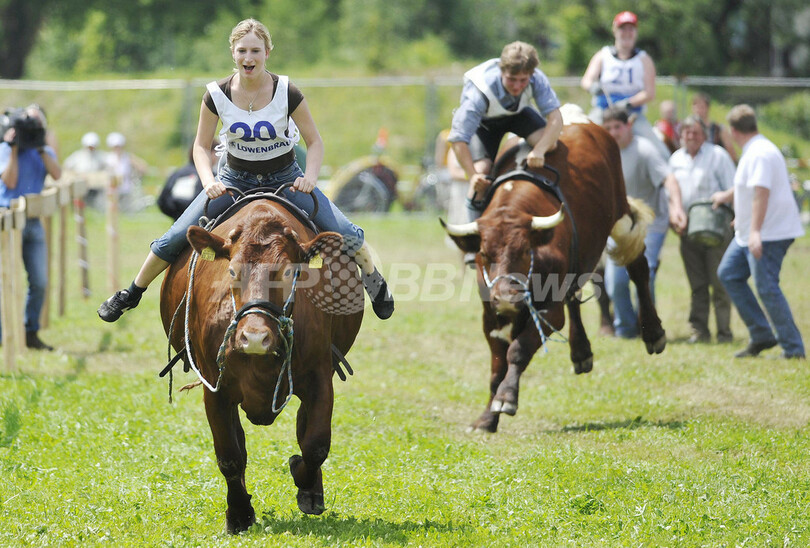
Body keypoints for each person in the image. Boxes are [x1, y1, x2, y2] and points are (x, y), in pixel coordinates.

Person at [97, 18, 393, 323]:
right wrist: (209, 181)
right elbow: (200, 147)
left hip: (286, 179)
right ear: (233, 53)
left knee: (345, 232)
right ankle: (131, 292)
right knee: (173, 237)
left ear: (267, 52)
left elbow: (315, 141)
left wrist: (310, 178)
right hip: (234, 180)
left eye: (255, 50)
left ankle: (375, 283)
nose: (248, 58)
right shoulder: (216, 94)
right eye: (242, 51)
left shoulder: (287, 90)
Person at [713, 105, 805, 359]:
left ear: (732, 131)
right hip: (752, 230)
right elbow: (747, 187)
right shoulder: (754, 150)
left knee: (766, 287)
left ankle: (793, 349)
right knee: (729, 274)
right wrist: (728, 199)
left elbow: (761, 192)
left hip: (768, 233)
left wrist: (754, 230)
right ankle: (762, 335)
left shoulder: (760, 153)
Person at [447, 41, 563, 225]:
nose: (517, 86)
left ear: (531, 76)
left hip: (518, 114)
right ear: (502, 71)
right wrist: (472, 176)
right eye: (511, 79)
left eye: (523, 80)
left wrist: (539, 150)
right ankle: (473, 237)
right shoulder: (478, 92)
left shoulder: (536, 79)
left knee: (551, 144)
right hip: (484, 124)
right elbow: (457, 139)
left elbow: (556, 119)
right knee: (482, 174)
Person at [601, 106, 683, 338]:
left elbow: (669, 179)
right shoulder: (605, 153)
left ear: (629, 126)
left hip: (650, 224)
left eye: (618, 127)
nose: (614, 132)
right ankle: (625, 330)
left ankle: (647, 326)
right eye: (608, 128)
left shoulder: (644, 150)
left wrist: (676, 208)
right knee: (615, 282)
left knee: (644, 278)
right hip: (620, 225)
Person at [668, 115, 736, 344]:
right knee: (697, 284)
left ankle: (724, 332)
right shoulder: (676, 159)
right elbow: (670, 193)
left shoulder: (718, 156)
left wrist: (739, 219)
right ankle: (699, 331)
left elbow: (733, 187)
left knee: (719, 281)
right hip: (689, 230)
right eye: (687, 132)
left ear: (704, 135)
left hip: (716, 227)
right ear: (681, 135)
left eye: (696, 132)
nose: (691, 137)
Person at [0, 104, 62, 350]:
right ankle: (4, 335)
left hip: (33, 221)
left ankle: (30, 331)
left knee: (39, 281)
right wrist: (14, 149)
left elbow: (57, 175)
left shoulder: (44, 150)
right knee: (6, 281)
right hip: (7, 221)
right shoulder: (5, 149)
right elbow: (11, 181)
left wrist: (40, 146)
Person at [581, 10, 671, 161]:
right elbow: (586, 80)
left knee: (660, 153)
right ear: (615, 30)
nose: (627, 33)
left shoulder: (644, 59)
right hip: (603, 111)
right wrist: (593, 87)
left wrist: (628, 103)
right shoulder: (603, 55)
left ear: (636, 32)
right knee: (582, 139)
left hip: (632, 115)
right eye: (623, 28)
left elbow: (649, 93)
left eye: (631, 29)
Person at [157, 141, 216, 220]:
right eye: (216, 153)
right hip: (203, 223)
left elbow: (162, 201)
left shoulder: (178, 173)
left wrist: (177, 216)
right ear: (210, 153)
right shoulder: (211, 178)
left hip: (178, 222)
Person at [105, 132, 150, 213]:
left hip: (126, 189)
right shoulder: (108, 158)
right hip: (112, 189)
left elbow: (143, 167)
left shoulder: (127, 157)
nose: (117, 148)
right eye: (115, 146)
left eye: (119, 146)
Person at [691, 92, 737, 163]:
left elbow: (731, 152)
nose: (698, 110)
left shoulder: (719, 129)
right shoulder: (689, 130)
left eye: (701, 107)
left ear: (708, 108)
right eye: (696, 107)